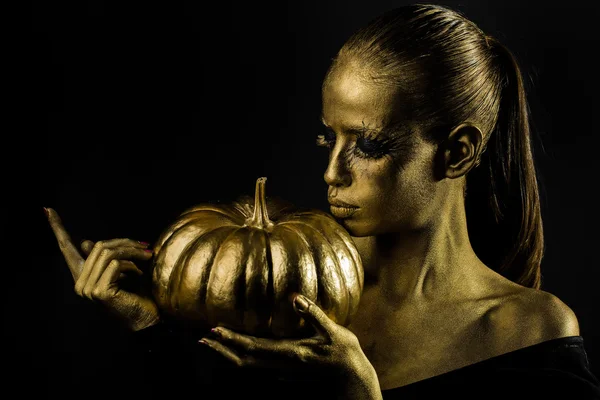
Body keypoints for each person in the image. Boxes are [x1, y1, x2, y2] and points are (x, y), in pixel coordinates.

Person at [46, 4, 600, 399]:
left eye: (367, 145)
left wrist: (360, 395)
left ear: (456, 153)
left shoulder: (530, 334)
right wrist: (150, 327)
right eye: (326, 139)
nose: (331, 172)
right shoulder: (288, 289)